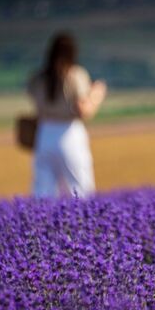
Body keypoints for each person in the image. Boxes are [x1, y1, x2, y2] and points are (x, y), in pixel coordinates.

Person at [27, 32, 106, 198]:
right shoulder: (75, 75)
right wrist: (96, 94)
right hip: (70, 134)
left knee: (43, 192)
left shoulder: (38, 78)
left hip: (44, 134)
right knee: (80, 190)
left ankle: (41, 224)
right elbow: (83, 110)